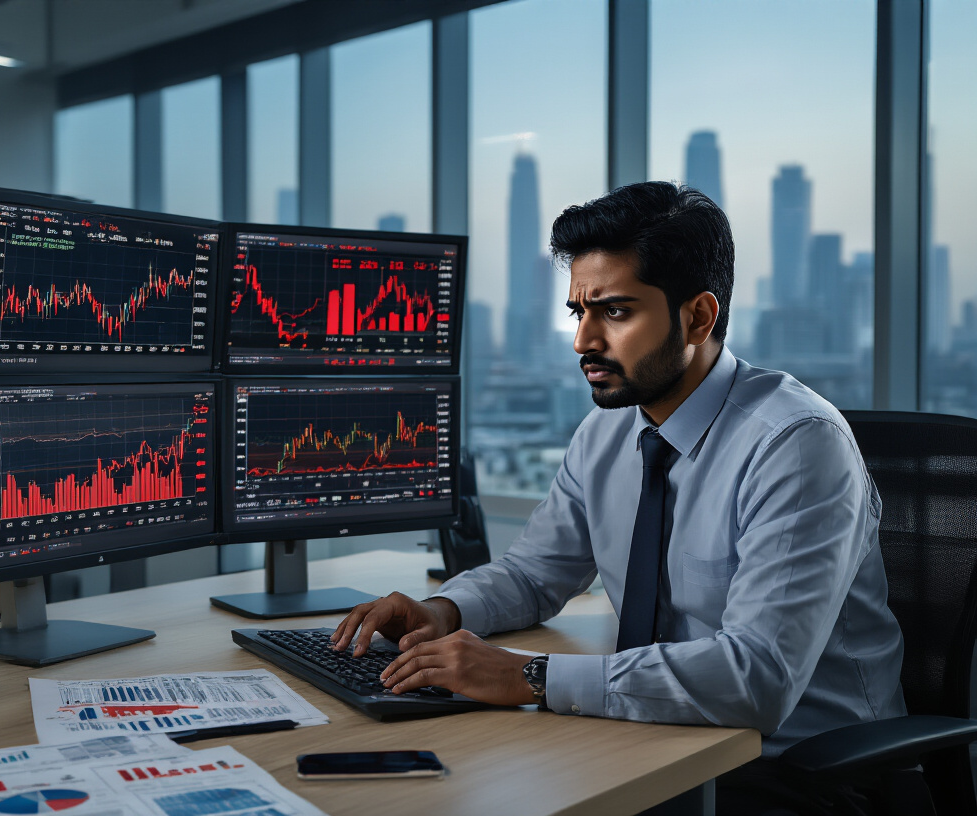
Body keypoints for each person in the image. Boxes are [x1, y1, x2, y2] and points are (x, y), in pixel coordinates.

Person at [331, 182, 907, 814]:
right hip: (650, 738)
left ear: (698, 317)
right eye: (580, 311)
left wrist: (526, 675)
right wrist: (444, 610)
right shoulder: (608, 429)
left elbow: (757, 678)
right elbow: (534, 574)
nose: (584, 341)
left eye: (615, 312)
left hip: (795, 769)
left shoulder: (795, 446)